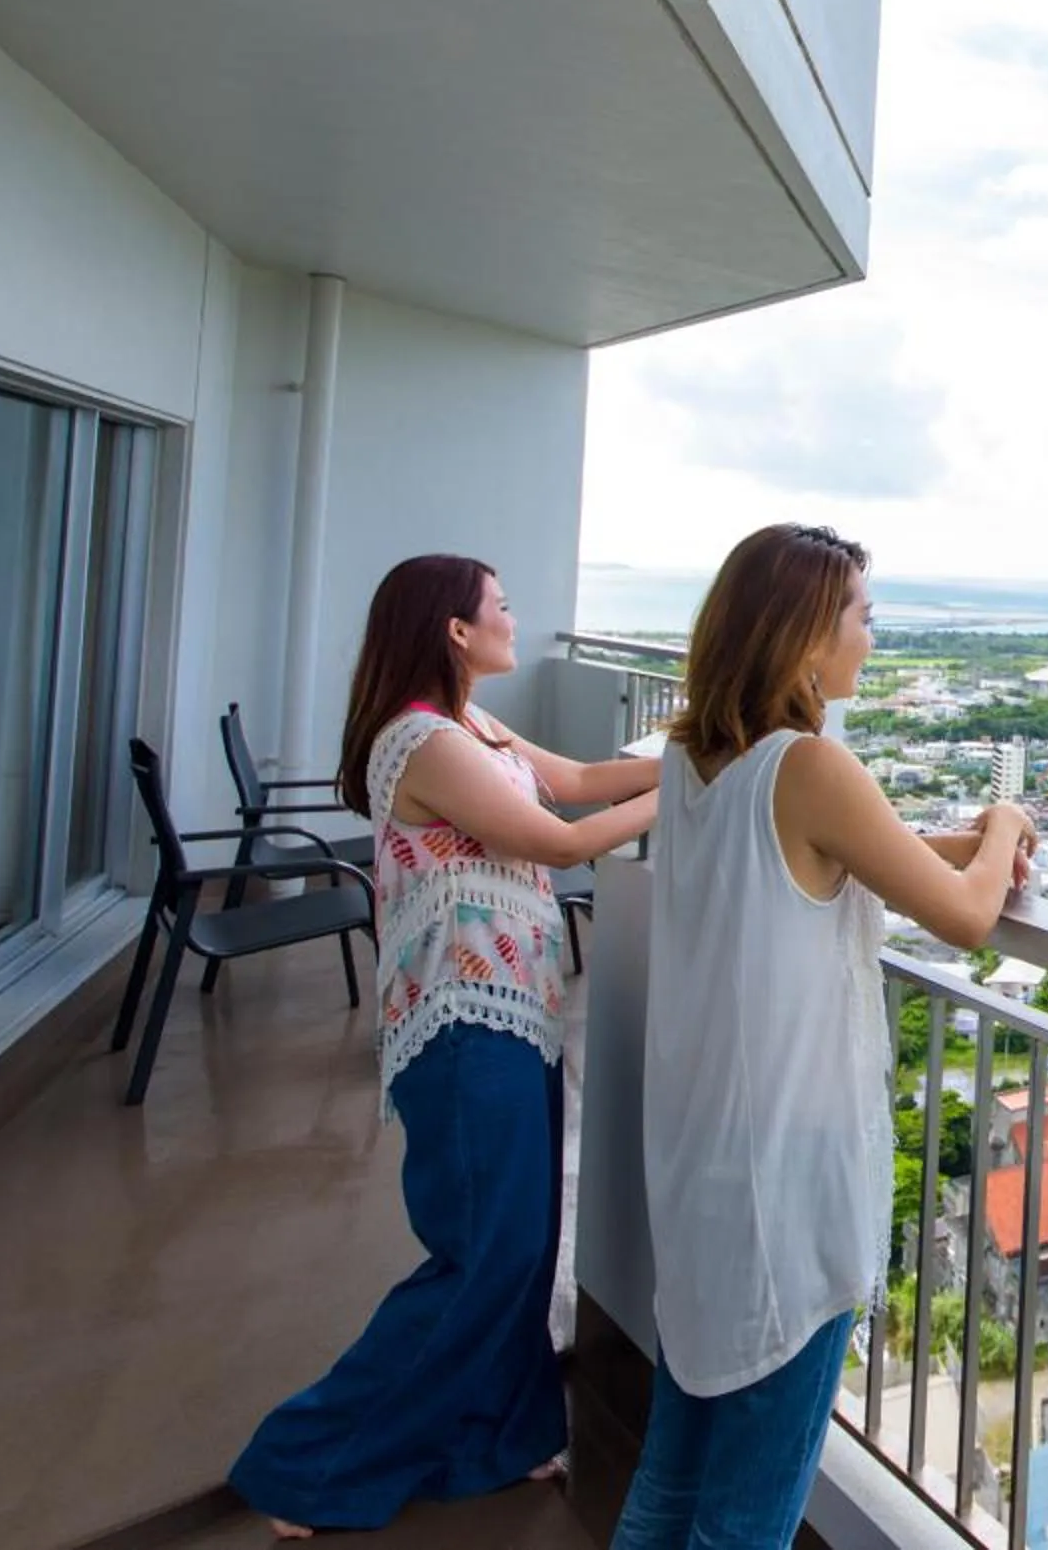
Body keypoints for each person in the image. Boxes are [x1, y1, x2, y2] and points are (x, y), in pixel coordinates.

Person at [610, 523, 1033, 1550]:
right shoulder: (809, 764)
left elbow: (830, 857)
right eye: (861, 615)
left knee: (673, 1472)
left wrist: (951, 847)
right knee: (746, 1515)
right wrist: (1008, 824)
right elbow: (968, 918)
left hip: (707, 1160)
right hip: (784, 1187)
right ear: (805, 636)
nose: (872, 638)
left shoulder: (697, 755)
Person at [233, 554, 664, 1539]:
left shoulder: (474, 724)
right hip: (463, 1020)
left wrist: (717, 756)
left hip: (512, 1007)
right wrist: (692, 802)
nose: (516, 616)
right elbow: (556, 838)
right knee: (486, 1251)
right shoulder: (423, 739)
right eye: (501, 605)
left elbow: (586, 778)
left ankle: (501, 1439)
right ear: (456, 630)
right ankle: (306, 1461)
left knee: (517, 1250)